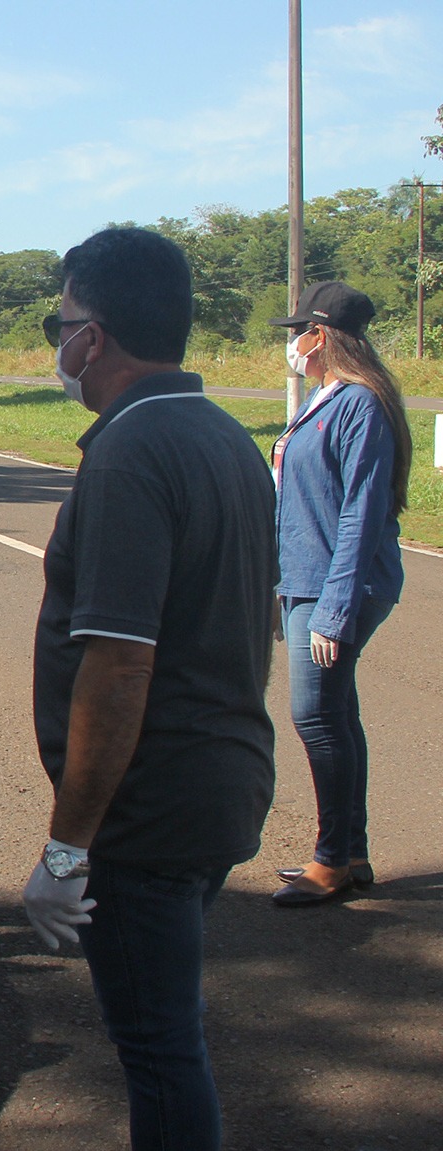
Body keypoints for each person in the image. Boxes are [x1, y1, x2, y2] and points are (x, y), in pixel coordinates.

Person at [23, 228, 277, 1151]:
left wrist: (67, 848)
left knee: (161, 1051)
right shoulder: (223, 435)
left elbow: (120, 667)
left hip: (151, 808)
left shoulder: (133, 452)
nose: (59, 343)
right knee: (167, 1039)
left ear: (92, 336)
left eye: (60, 324)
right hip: (218, 779)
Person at [265, 281, 411, 905]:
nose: (292, 344)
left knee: (316, 717)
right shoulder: (323, 398)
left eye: (298, 332)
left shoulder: (360, 404)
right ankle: (351, 853)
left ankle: (331, 862)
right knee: (336, 714)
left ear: (320, 336)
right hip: (307, 578)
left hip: (336, 583)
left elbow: (362, 512)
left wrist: (335, 607)